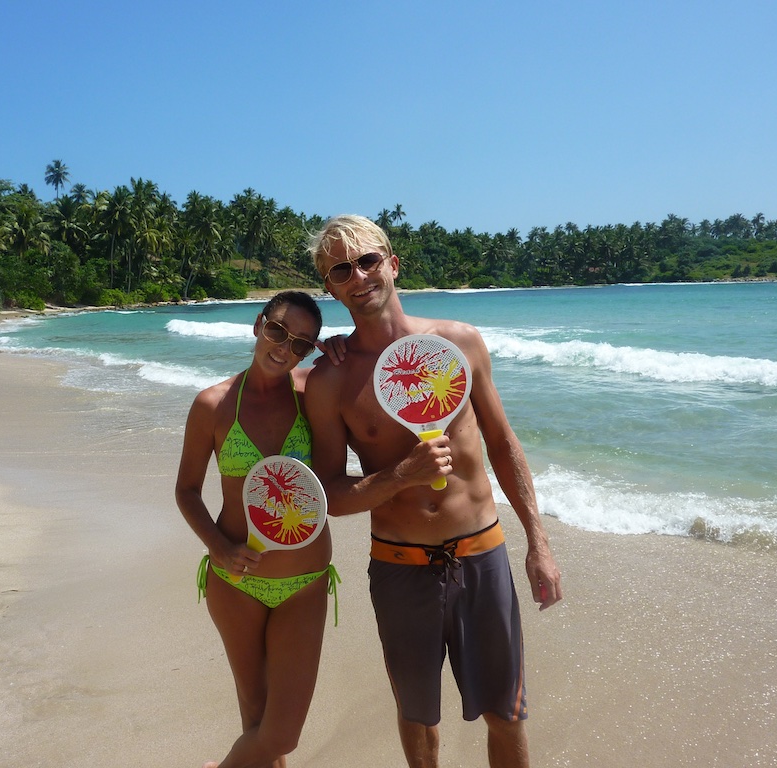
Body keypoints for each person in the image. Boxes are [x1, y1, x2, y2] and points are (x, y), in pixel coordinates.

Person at [305, 215, 563, 768]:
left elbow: (502, 443)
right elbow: (329, 494)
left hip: (481, 555)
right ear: (330, 287)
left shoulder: (460, 343)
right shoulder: (331, 380)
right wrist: (401, 475)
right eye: (341, 269)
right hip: (399, 566)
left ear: (392, 264)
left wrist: (537, 542)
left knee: (505, 711)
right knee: (418, 715)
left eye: (369, 260)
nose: (359, 276)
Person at [175, 290, 339, 768]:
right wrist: (221, 549)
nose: (285, 348)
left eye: (303, 344)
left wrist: (343, 351)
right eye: (278, 331)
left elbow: (362, 393)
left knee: (281, 734)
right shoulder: (213, 405)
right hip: (236, 583)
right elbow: (186, 491)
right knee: (255, 716)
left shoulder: (312, 395)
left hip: (304, 585)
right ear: (258, 324)